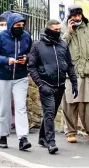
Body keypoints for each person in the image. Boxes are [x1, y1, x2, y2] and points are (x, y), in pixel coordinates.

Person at [28, 19, 78, 154]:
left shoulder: (63, 44)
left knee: (52, 112)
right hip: (46, 85)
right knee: (49, 113)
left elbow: (69, 64)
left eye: (59, 30)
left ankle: (42, 137)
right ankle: (51, 142)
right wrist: (40, 84)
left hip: (60, 85)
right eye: (55, 30)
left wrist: (74, 82)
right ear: (49, 30)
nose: (58, 32)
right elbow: (31, 67)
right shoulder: (37, 45)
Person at [0, 13, 32, 150]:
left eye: (21, 25)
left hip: (21, 75)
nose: (19, 28)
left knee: (21, 106)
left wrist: (26, 58)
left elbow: (32, 53)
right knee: (4, 107)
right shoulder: (1, 37)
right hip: (4, 76)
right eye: (17, 25)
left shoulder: (26, 36)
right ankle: (3, 135)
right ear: (10, 25)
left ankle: (23, 138)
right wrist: (6, 60)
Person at [62, 4, 89, 143]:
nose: (77, 18)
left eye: (79, 15)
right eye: (74, 16)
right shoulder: (64, 28)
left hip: (86, 73)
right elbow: (60, 47)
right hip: (70, 73)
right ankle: (71, 132)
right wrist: (69, 32)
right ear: (70, 17)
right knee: (70, 103)